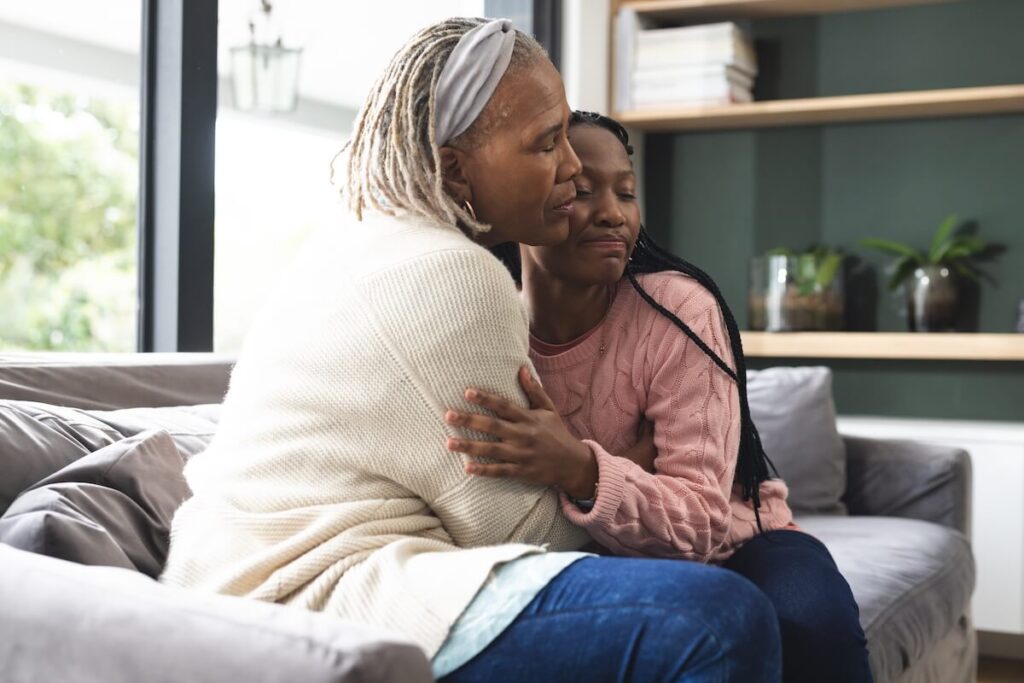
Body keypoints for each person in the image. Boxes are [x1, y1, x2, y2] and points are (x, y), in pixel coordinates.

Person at [162, 18, 781, 682]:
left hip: (223, 581)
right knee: (718, 620)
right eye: (547, 144)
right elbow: (523, 531)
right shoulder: (455, 276)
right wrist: (615, 463)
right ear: (457, 167)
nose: (573, 166)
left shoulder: (357, 241)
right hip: (321, 593)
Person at [450, 111, 873, 682]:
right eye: (580, 191)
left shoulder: (677, 309)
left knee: (809, 625)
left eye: (626, 192)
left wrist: (578, 467)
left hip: (744, 542)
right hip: (596, 566)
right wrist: (630, 467)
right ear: (528, 205)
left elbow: (701, 521)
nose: (612, 213)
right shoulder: (483, 330)